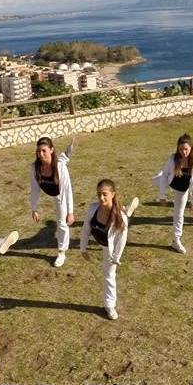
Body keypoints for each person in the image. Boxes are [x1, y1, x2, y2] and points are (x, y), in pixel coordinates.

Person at [80, 179, 138, 320]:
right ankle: (127, 208)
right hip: (99, 239)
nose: (101, 198)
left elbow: (121, 240)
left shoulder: (119, 218)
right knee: (123, 214)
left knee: (109, 274)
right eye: (99, 194)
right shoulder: (93, 208)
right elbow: (86, 228)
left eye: (105, 194)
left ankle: (109, 305)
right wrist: (83, 248)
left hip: (109, 247)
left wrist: (116, 257)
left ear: (113, 194)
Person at [151, 133, 193, 253]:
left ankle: (176, 240)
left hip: (182, 190)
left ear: (191, 148)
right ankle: (156, 180)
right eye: (181, 149)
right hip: (170, 181)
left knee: (179, 214)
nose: (183, 152)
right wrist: (162, 196)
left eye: (186, 149)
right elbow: (165, 176)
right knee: (157, 180)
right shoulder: (173, 159)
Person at [30, 137, 76, 267]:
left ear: (51, 150)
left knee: (62, 223)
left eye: (44, 151)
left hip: (59, 193)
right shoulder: (34, 168)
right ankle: (66, 154)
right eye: (38, 151)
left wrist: (70, 212)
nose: (41, 154)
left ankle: (62, 251)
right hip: (49, 189)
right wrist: (34, 208)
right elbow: (34, 189)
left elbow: (67, 190)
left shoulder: (60, 168)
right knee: (62, 160)